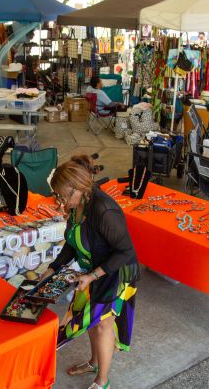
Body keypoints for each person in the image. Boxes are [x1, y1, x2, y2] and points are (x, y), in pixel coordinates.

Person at [41, 155, 140, 389]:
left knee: (103, 324)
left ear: (80, 188)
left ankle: (102, 382)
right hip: (94, 271)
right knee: (93, 322)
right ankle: (94, 363)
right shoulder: (77, 206)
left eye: (65, 196)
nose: (63, 202)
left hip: (117, 272)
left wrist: (93, 275)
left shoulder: (104, 210)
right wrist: (53, 268)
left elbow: (125, 251)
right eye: (59, 196)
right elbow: (72, 242)